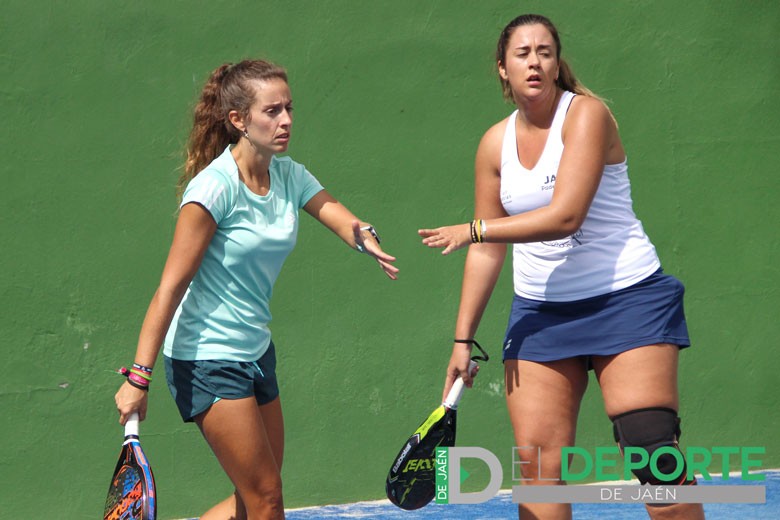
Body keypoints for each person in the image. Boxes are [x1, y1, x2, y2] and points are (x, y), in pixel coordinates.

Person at [418, 14, 704, 520]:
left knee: (650, 450)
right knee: (537, 471)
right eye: (522, 53)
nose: (534, 61)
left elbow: (565, 217)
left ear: (557, 63)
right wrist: (462, 340)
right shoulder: (493, 144)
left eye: (544, 51)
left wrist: (475, 228)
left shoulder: (587, 116)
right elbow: (489, 252)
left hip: (627, 298)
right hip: (542, 312)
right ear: (502, 70)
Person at [114, 59, 398, 520]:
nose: (285, 120)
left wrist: (365, 236)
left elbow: (338, 216)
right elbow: (169, 288)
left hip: (255, 350)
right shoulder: (212, 190)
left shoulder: (288, 176)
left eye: (289, 108)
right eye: (272, 111)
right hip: (205, 356)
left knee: (255, 497)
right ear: (238, 120)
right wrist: (138, 379)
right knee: (267, 499)